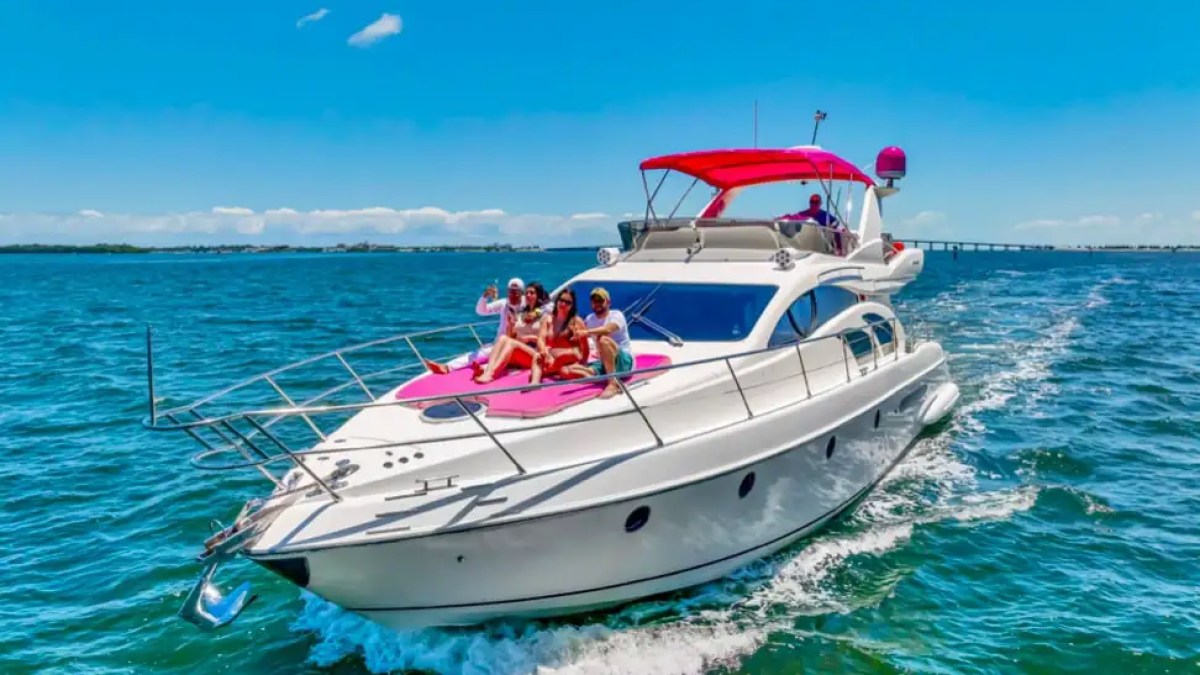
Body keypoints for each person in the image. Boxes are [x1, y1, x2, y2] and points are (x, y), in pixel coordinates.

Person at [423, 277, 527, 375]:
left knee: (500, 358)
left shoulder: (528, 305)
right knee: (477, 354)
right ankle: (447, 367)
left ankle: (484, 369)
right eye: (510, 291)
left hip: (517, 345)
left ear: (522, 293)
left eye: (516, 292)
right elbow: (481, 311)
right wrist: (485, 297)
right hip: (499, 344)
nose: (512, 295)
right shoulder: (504, 304)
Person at [578, 287, 635, 399]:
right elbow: (579, 334)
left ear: (608, 302)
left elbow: (607, 329)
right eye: (594, 301)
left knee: (603, 340)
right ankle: (598, 374)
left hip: (624, 362)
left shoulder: (616, 315)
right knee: (571, 371)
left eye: (600, 300)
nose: (597, 304)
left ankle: (612, 384)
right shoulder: (590, 319)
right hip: (604, 361)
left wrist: (586, 332)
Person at [530, 287, 590, 385]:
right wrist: (544, 352)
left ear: (572, 306)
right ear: (557, 301)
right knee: (537, 355)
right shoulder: (547, 319)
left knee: (568, 356)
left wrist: (583, 362)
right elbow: (540, 339)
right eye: (561, 300)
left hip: (569, 360)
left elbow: (585, 350)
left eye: (567, 302)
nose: (563, 304)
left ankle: (549, 370)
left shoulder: (576, 322)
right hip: (550, 358)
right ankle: (534, 383)